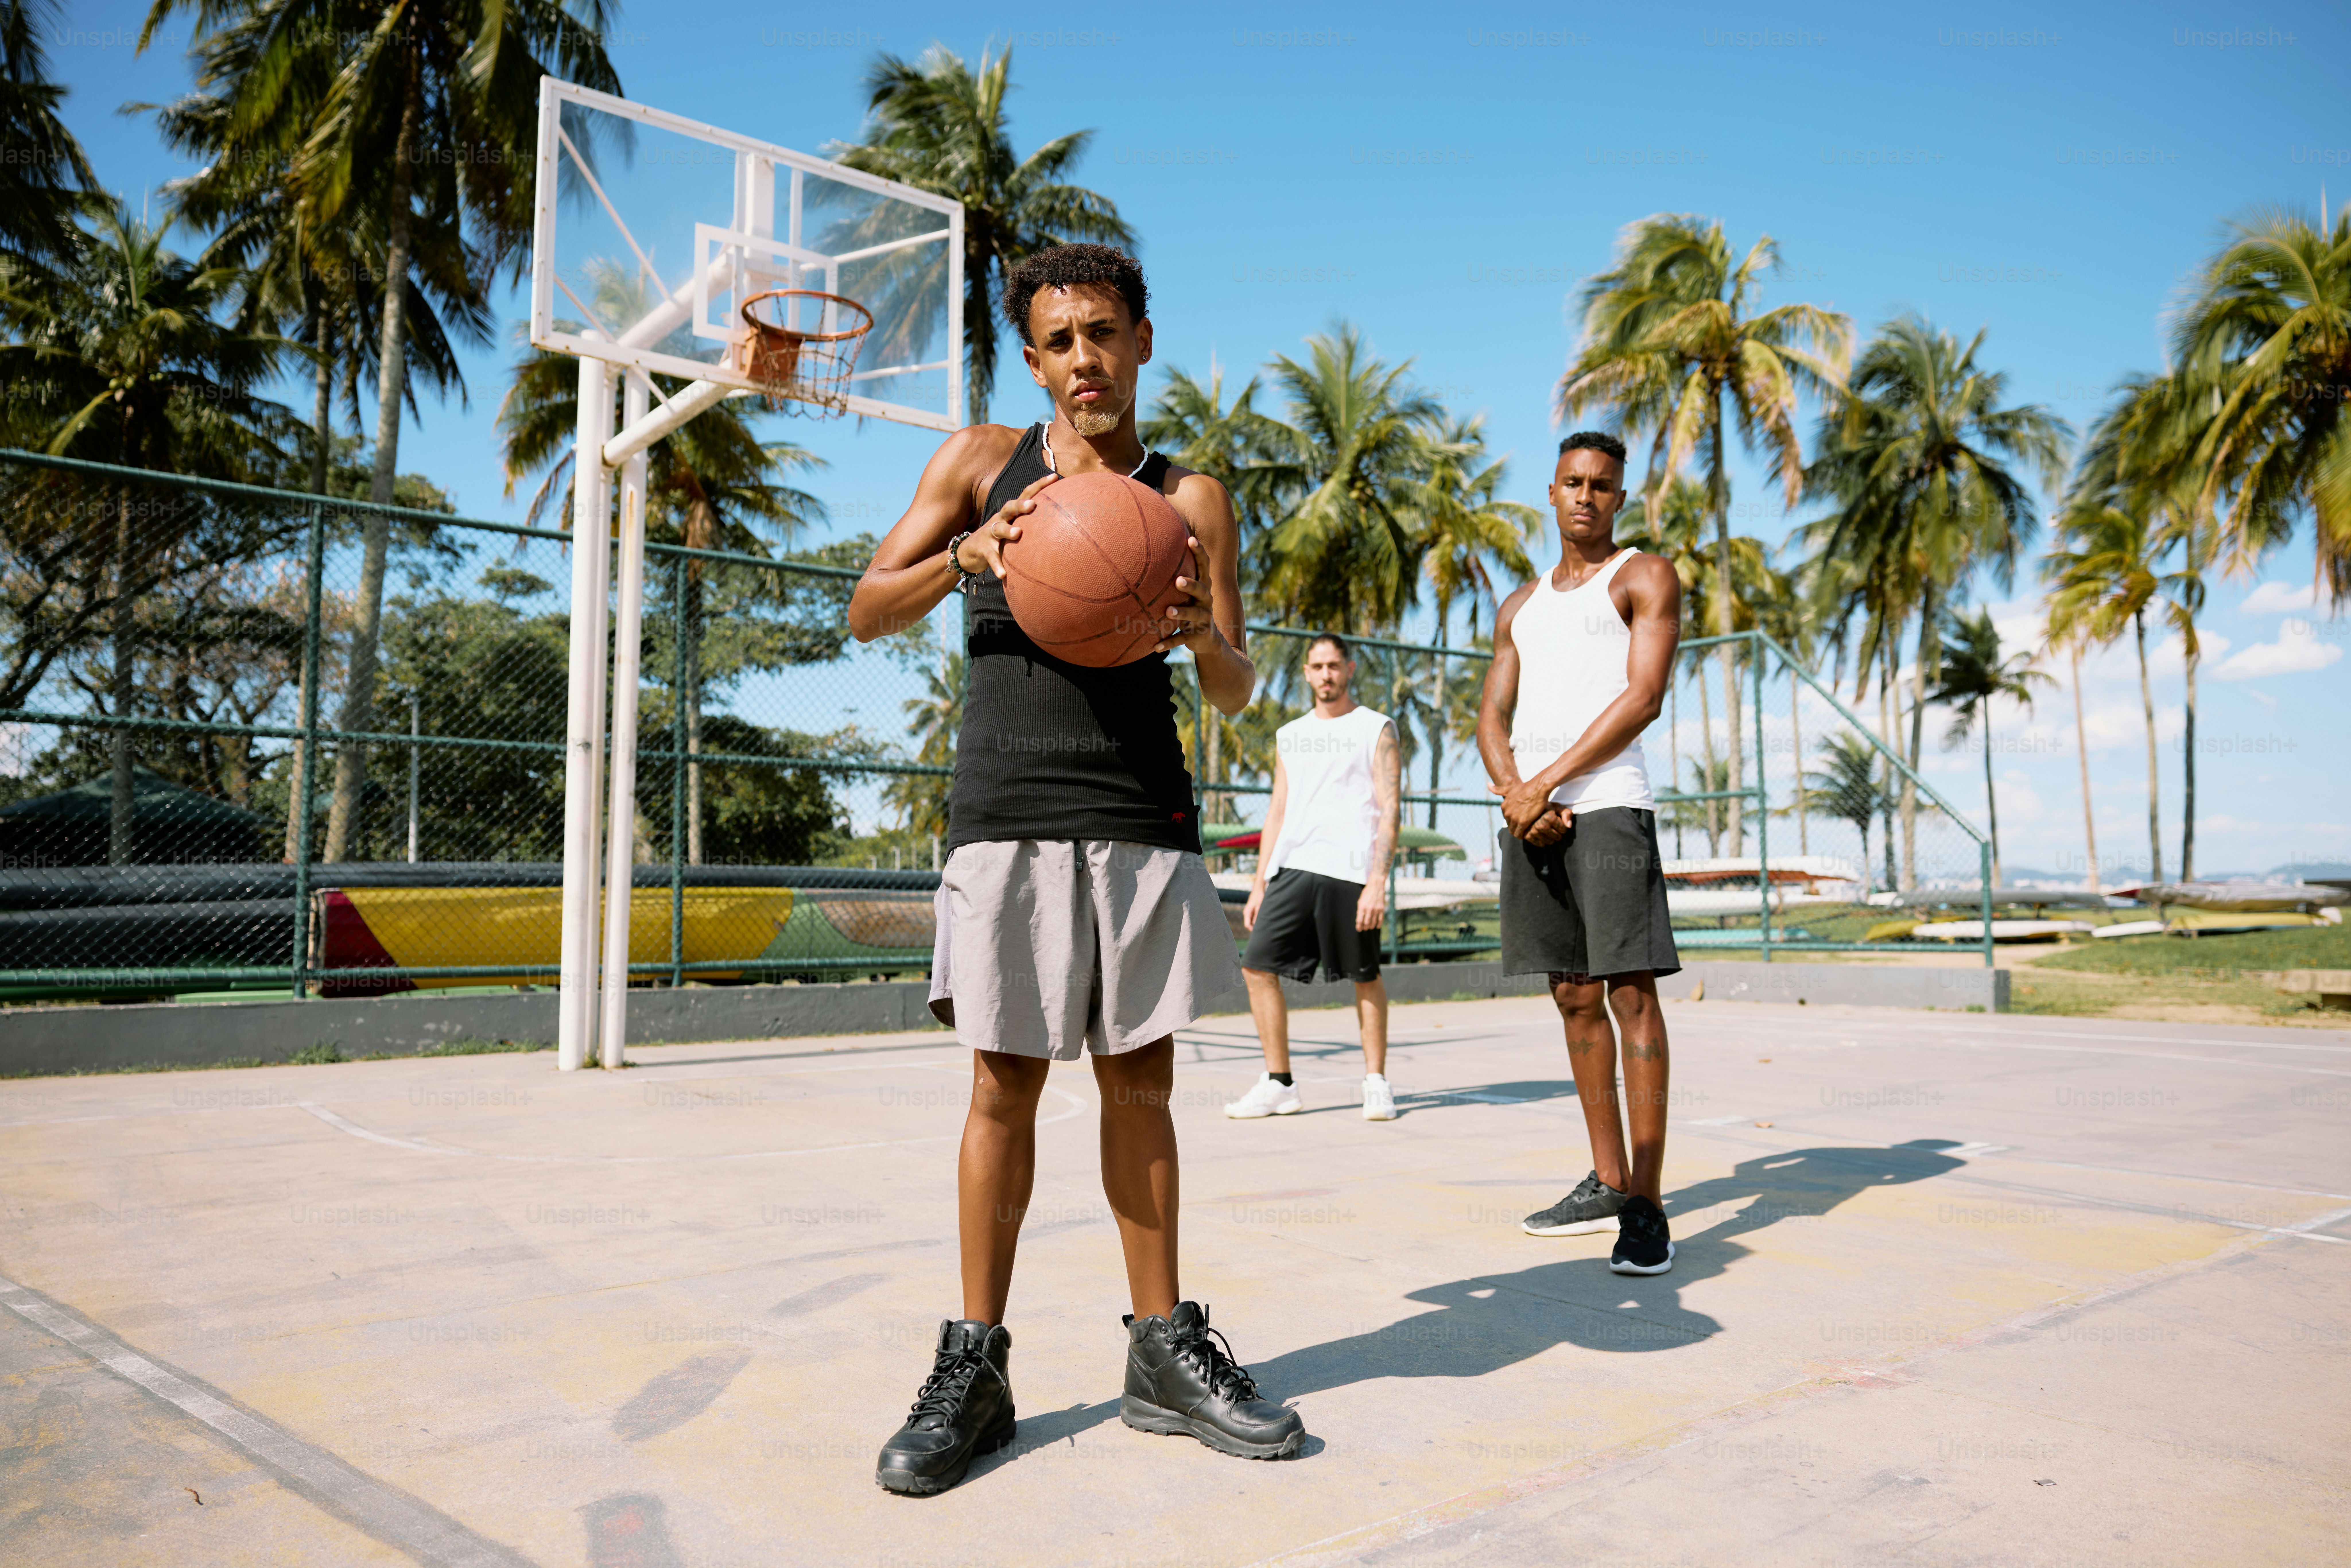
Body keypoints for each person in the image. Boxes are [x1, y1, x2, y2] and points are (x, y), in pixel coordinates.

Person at [846, 244, 1305, 1496]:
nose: (1081, 360)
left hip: (1136, 806)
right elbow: (863, 606)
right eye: (1057, 340)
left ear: (1142, 340)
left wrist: (1192, 626)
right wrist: (966, 559)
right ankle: (975, 1365)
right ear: (1035, 358)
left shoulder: (1187, 495)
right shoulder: (974, 464)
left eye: (1101, 333)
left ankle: (1160, 1349)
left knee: (1138, 1085)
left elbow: (1232, 679)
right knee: (1002, 1085)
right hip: (1005, 805)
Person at [1475, 430, 1683, 1276]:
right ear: (1551, 492)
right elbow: (1491, 716)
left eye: (1603, 485)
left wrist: (1548, 784)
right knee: (1571, 995)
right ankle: (1604, 1178)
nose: (1586, 496)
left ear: (1619, 500)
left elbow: (1644, 698)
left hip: (1608, 808)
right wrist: (1519, 797)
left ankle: (1648, 1202)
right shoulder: (1520, 605)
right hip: (1536, 817)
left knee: (1630, 995)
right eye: (1572, 482)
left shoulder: (1643, 576)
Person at [1227, 633, 1402, 1122]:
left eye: (1333, 666)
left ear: (1348, 670)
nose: (1325, 674)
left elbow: (1390, 809)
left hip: (1351, 872)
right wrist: (1260, 882)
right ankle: (1280, 1083)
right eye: (1316, 666)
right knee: (1257, 968)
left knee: (1364, 976)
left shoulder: (1377, 728)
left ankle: (1376, 1082)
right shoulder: (1290, 735)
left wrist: (1378, 880)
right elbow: (1278, 810)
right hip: (1293, 869)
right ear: (1306, 673)